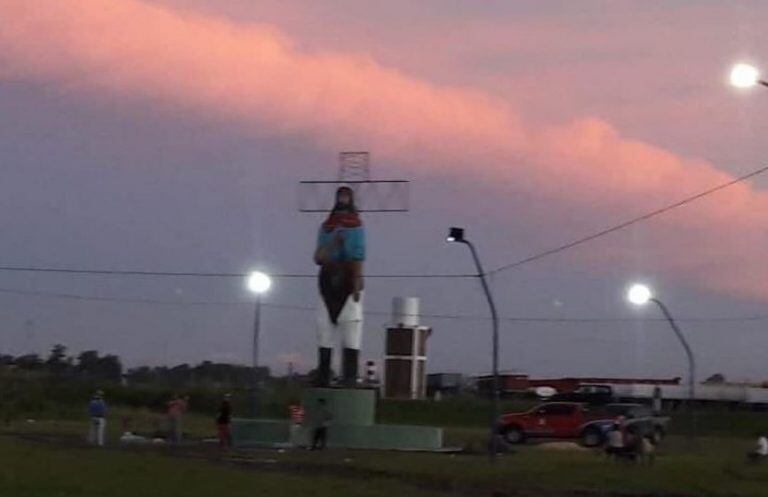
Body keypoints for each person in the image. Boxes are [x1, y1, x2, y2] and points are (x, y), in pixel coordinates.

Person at [314, 186, 366, 387]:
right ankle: (323, 373)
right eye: (340, 197)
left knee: (351, 329)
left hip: (348, 279)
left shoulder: (357, 227)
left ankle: (350, 376)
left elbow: (358, 255)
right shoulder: (326, 227)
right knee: (323, 328)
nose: (343, 200)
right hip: (327, 280)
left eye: (346, 197)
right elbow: (318, 257)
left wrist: (356, 280)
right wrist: (334, 243)